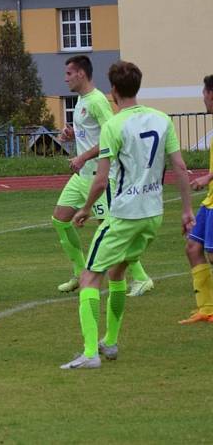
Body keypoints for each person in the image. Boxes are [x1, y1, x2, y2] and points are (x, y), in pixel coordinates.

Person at [62, 61, 194, 369]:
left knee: (89, 277)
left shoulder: (114, 125)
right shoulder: (162, 120)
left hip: (124, 213)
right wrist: (187, 210)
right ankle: (110, 341)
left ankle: (90, 353)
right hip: (153, 214)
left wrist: (84, 209)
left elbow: (100, 178)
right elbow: (179, 167)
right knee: (118, 273)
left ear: (114, 91)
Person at [53, 55, 154, 296]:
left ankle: (141, 278)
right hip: (81, 176)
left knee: (110, 229)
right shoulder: (80, 101)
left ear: (81, 74)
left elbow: (112, 135)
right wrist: (71, 135)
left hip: (100, 175)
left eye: (68, 74)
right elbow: (90, 134)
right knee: (60, 220)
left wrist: (82, 157)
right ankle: (79, 272)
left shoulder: (97, 101)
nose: (65, 78)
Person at [180, 75, 213, 324]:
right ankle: (206, 309)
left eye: (204, 93)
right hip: (210, 202)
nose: (203, 97)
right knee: (193, 248)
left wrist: (207, 177)